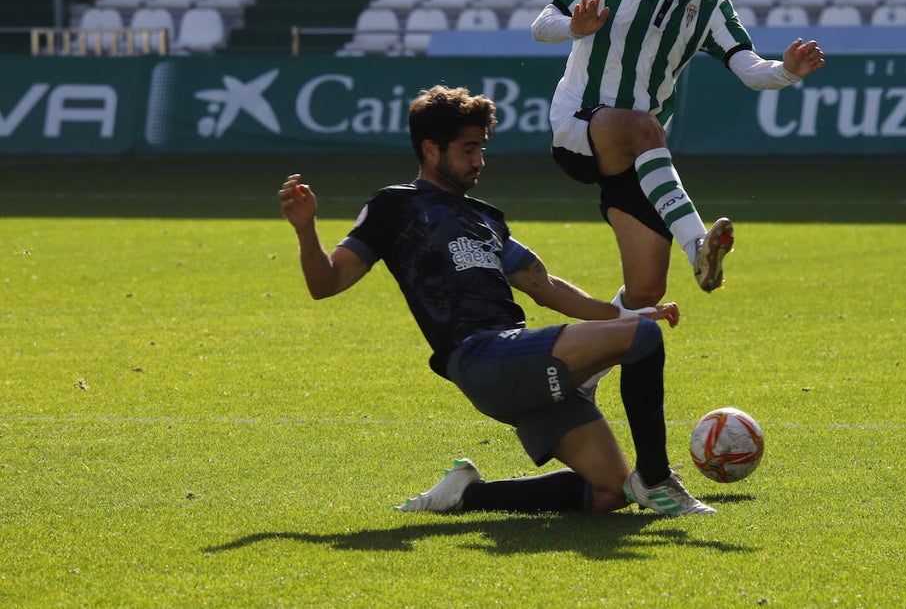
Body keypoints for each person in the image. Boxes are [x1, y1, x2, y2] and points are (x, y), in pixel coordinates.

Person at [278, 85, 714, 516]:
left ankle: (468, 495)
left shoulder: (485, 217)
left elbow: (545, 286)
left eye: (481, 148)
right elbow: (327, 283)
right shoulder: (395, 206)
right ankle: (657, 480)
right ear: (431, 150)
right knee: (642, 339)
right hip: (483, 356)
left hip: (517, 359)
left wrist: (625, 313)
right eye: (468, 149)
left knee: (609, 493)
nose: (479, 161)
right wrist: (305, 229)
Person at [533, 0, 827, 312]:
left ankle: (586, 376)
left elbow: (749, 69)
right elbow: (543, 24)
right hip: (578, 128)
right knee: (645, 126)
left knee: (647, 292)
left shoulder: (710, 8)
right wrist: (573, 29)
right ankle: (698, 247)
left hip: (638, 159)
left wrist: (785, 71)